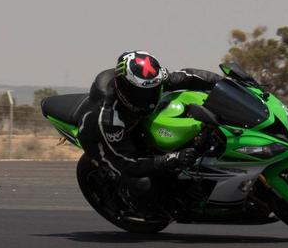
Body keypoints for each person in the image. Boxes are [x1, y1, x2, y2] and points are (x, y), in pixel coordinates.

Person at [76, 51, 220, 213]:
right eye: (141, 93)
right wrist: (168, 159)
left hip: (136, 124)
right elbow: (128, 162)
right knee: (144, 186)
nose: (148, 96)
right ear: (125, 88)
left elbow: (189, 76)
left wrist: (224, 83)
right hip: (102, 143)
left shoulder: (152, 80)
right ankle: (141, 206)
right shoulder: (109, 119)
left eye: (153, 89)